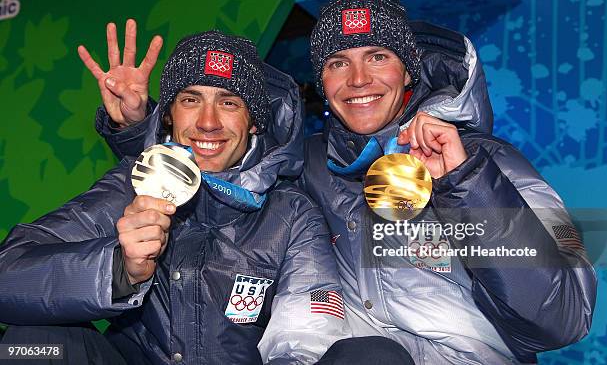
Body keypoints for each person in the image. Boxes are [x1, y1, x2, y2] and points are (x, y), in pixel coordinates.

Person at [89, 0, 596, 364]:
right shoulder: (305, 164)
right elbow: (215, 176)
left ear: (408, 73)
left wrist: (466, 182)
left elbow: (564, 316)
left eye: (378, 57)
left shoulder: (493, 161)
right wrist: (138, 129)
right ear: (323, 83)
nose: (358, 80)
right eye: (338, 62)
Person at [0, 29, 352, 364]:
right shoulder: (133, 185)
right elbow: (9, 272)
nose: (208, 122)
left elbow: (306, 327)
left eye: (229, 102)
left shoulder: (290, 212)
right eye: (190, 100)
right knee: (36, 345)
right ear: (168, 115)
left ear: (254, 121)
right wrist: (119, 269)